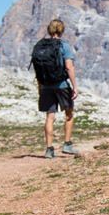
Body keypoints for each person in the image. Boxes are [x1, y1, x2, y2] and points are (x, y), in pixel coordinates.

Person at [32, 18, 79, 158]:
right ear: (62, 30)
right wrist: (75, 86)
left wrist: (40, 85)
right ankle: (67, 144)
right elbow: (69, 67)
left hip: (46, 86)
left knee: (50, 117)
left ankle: (49, 149)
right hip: (61, 85)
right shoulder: (64, 46)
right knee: (69, 114)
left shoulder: (40, 46)